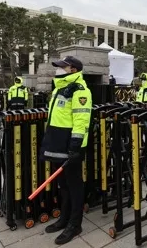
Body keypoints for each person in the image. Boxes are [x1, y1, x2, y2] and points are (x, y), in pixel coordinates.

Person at [39, 56, 92, 245]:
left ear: (74, 70)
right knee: (63, 185)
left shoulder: (80, 91)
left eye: (63, 67)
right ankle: (64, 218)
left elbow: (81, 120)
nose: (59, 70)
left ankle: (75, 224)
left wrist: (75, 147)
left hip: (72, 146)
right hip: (58, 144)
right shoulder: (60, 88)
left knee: (74, 185)